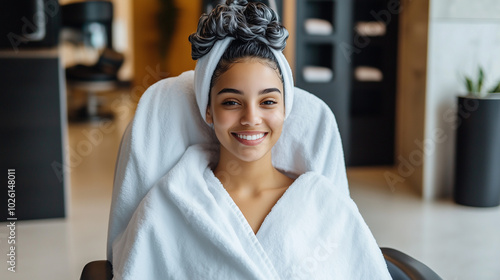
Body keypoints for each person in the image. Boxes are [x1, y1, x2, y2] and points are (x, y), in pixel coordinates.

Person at [107, 1, 391, 279]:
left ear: (285, 109)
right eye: (231, 102)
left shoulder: (323, 204)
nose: (251, 118)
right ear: (208, 110)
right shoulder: (172, 204)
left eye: (268, 101)